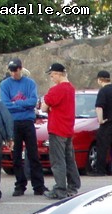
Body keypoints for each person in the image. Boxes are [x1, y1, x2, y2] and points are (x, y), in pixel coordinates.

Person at [0, 58, 47, 196]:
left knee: (33, 154)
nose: (14, 73)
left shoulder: (29, 83)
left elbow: (33, 101)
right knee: (16, 155)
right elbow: (5, 104)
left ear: (21, 69)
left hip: (27, 121)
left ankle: (39, 185)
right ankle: (20, 185)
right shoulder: (5, 84)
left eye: (16, 70)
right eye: (12, 71)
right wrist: (22, 105)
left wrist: (16, 105)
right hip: (13, 122)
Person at [40, 63, 79, 200]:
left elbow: (44, 107)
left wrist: (49, 107)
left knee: (58, 160)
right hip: (68, 127)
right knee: (69, 159)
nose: (51, 78)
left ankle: (60, 189)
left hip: (57, 128)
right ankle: (73, 186)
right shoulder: (71, 88)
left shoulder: (56, 90)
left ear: (57, 74)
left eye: (52, 75)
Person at [93, 69, 112, 175]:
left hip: (108, 123)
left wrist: (100, 120)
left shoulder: (103, 91)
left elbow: (99, 106)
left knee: (102, 147)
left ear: (100, 80)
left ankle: (100, 170)